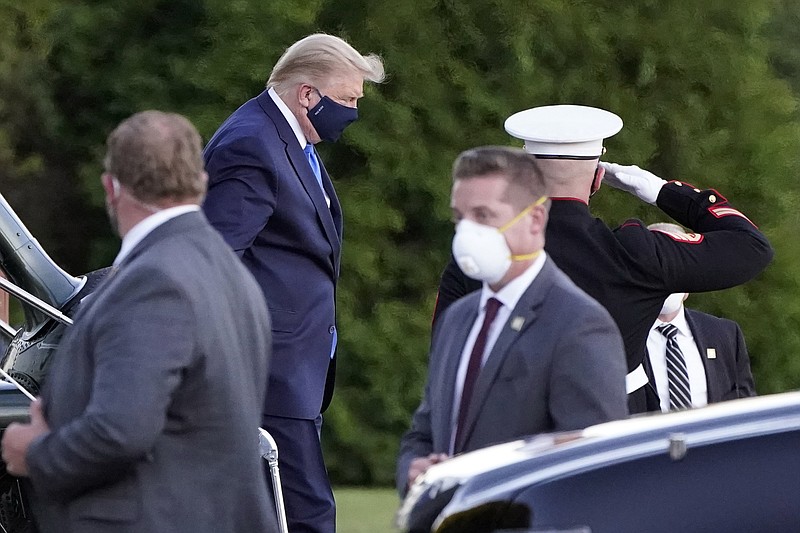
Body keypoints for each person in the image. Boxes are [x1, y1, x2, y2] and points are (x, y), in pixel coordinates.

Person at [0, 111, 276, 532]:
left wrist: (35, 451)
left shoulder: (153, 283)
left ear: (112, 188)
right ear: (199, 182)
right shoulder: (230, 273)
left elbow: (121, 431)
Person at [434, 104, 773, 414]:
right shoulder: (634, 252)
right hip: (613, 437)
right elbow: (750, 248)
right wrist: (664, 192)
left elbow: (447, 360)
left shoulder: (482, 254)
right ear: (598, 179)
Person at [201, 33, 385, 532]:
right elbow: (213, 260)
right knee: (305, 515)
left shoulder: (288, 141)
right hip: (267, 370)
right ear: (308, 94)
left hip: (293, 367)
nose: (352, 111)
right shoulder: (252, 144)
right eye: (347, 99)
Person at [397, 146, 628, 496]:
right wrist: (413, 470)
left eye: (483, 216)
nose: (466, 234)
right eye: (460, 218)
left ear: (535, 220)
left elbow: (593, 467)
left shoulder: (579, 325)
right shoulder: (459, 317)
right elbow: (425, 429)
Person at [647, 222, 756, 412]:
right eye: (656, 266)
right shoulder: (619, 337)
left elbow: (746, 409)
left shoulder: (724, 335)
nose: (667, 278)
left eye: (676, 267)